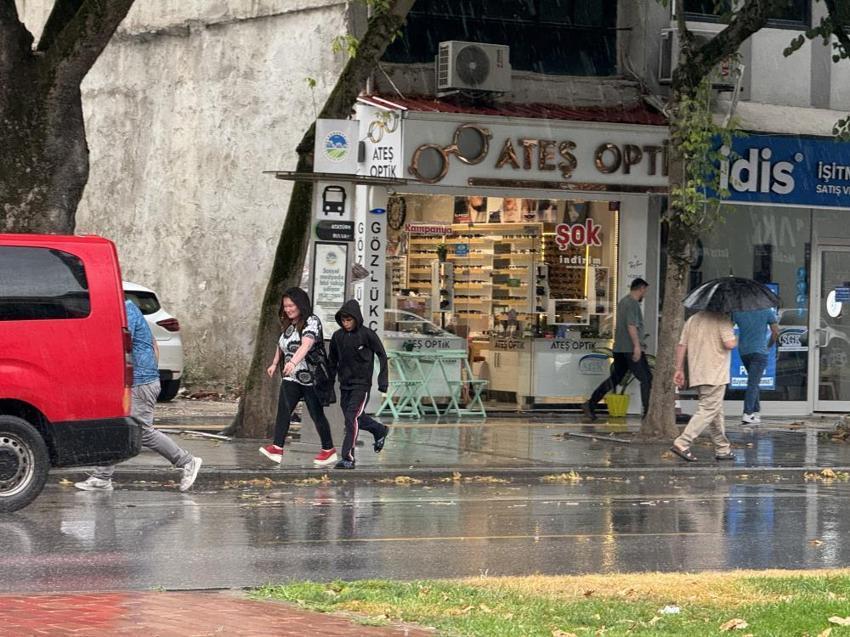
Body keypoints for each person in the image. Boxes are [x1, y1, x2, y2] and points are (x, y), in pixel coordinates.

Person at [76, 300, 202, 492]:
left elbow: (119, 345)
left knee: (141, 431)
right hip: (137, 380)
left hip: (140, 382)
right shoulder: (126, 310)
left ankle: (187, 461)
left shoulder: (125, 310)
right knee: (116, 427)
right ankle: (102, 477)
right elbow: (153, 346)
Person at [259, 287, 337, 467]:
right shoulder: (288, 324)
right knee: (284, 411)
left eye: (291, 305)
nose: (288, 309)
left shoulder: (312, 321)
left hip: (311, 377)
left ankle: (328, 449)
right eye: (285, 306)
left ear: (300, 304)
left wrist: (293, 362)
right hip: (292, 378)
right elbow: (281, 345)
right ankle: (277, 448)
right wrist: (274, 363)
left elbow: (306, 345)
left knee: (317, 415)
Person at [328, 300, 390, 469]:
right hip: (344, 385)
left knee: (351, 418)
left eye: (349, 320)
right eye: (343, 320)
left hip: (362, 385)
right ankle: (379, 430)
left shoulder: (367, 335)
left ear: (356, 318)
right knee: (355, 418)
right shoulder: (337, 337)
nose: (346, 323)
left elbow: (382, 355)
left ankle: (348, 457)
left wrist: (382, 382)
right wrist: (328, 387)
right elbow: (331, 363)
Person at [670, 310, 738, 462]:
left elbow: (682, 345)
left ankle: (723, 448)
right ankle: (683, 442)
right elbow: (729, 344)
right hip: (715, 373)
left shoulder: (693, 319)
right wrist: (739, 337)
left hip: (698, 372)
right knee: (708, 409)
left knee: (715, 411)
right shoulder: (722, 319)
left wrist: (679, 369)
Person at [583, 278, 653, 420]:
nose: (645, 294)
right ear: (641, 289)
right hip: (630, 349)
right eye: (645, 291)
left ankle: (591, 403)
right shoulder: (632, 304)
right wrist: (637, 347)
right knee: (646, 379)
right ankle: (648, 413)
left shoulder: (623, 302)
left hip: (620, 348)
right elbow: (631, 326)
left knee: (615, 379)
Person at [732, 307, 779, 424]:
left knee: (754, 381)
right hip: (760, 352)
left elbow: (728, 329)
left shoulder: (737, 312)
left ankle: (756, 412)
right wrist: (769, 346)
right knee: (753, 383)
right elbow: (776, 332)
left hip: (744, 352)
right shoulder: (767, 311)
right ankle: (747, 413)